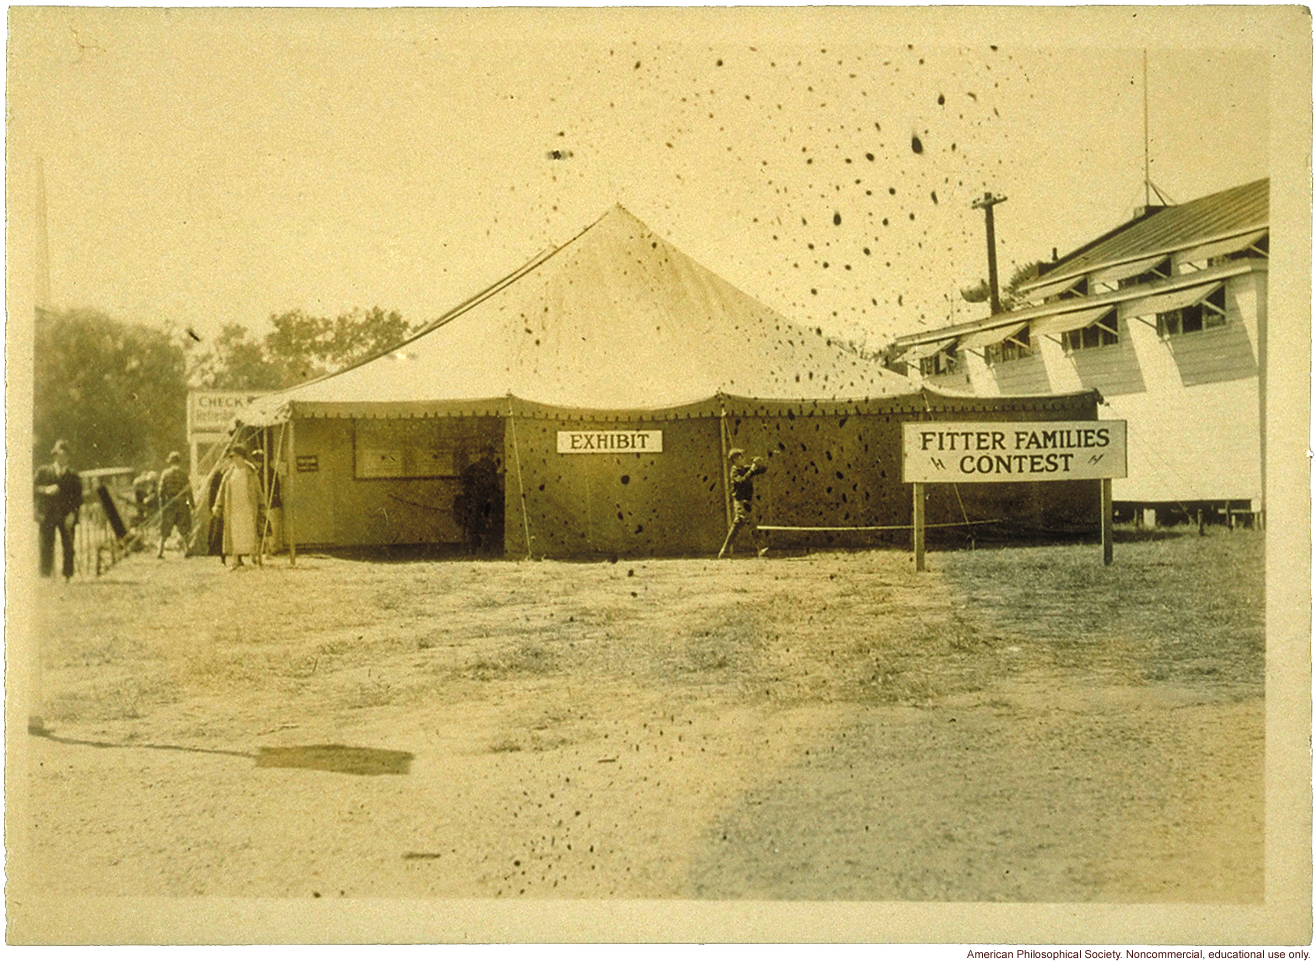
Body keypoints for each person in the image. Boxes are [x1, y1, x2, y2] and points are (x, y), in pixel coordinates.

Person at [34, 439, 83, 580]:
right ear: (54, 456)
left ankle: (68, 575)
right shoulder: (43, 472)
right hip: (47, 514)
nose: (61, 458)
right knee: (46, 545)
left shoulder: (73, 476)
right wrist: (45, 489)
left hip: (66, 515)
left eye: (64, 455)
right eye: (58, 455)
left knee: (68, 545)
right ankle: (45, 575)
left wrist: (73, 514)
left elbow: (78, 499)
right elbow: (32, 489)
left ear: (68, 457)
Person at [217, 443, 263, 568]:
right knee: (235, 533)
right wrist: (218, 505)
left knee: (250, 531)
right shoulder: (229, 473)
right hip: (233, 508)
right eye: (232, 457)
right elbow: (222, 490)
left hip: (248, 507)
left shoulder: (250, 471)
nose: (234, 459)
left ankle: (255, 558)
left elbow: (258, 489)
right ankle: (236, 560)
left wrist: (261, 503)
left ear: (243, 457)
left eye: (236, 457)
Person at [717, 447, 768, 559]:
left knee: (736, 527)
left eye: (743, 456)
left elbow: (763, 469)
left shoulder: (745, 468)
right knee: (751, 523)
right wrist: (751, 470)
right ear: (735, 460)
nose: (743, 458)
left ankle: (724, 551)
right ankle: (760, 549)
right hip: (740, 502)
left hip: (747, 502)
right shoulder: (734, 471)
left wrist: (759, 462)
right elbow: (742, 482)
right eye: (740, 457)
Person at [156, 451, 194, 559]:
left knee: (165, 529)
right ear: (179, 462)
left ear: (170, 462)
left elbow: (160, 492)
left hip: (169, 504)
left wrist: (162, 506)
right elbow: (189, 491)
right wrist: (191, 504)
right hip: (182, 503)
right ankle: (188, 550)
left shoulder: (165, 474)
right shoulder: (183, 474)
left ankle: (160, 552)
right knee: (183, 528)